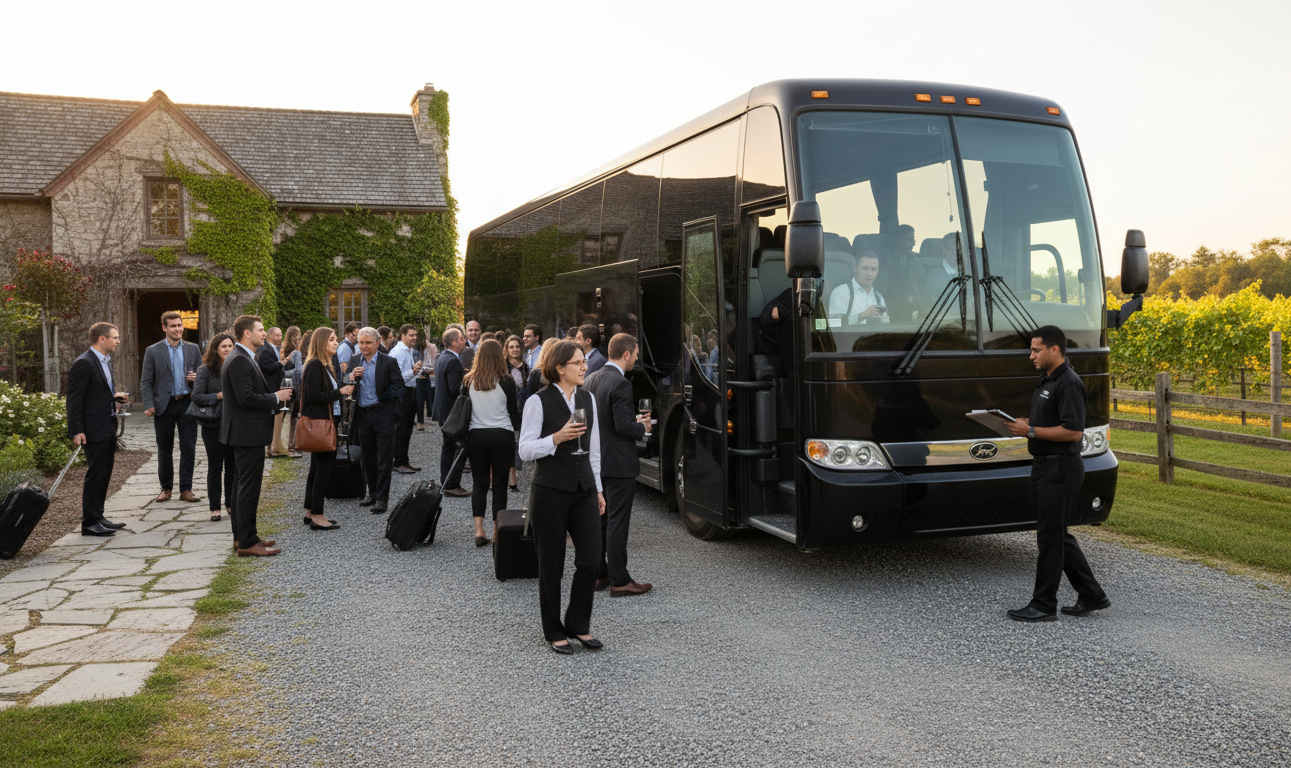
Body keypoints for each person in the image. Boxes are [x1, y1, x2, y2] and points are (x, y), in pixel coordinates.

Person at [1005, 325, 1109, 622]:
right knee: (1057, 535)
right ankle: (1092, 595)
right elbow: (1051, 422)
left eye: (1036, 350)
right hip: (1045, 466)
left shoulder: (1068, 383)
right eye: (1031, 350)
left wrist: (1032, 430)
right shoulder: (1047, 380)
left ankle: (1043, 605)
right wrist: (1027, 424)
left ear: (1055, 350)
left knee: (1049, 539)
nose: (1031, 356)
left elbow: (1074, 432)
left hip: (1061, 469)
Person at [516, 339, 606, 655]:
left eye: (584, 362)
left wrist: (598, 488)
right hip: (550, 490)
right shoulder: (537, 402)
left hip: (583, 489)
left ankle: (578, 624)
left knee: (592, 559)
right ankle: (554, 630)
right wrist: (555, 438)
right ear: (559, 368)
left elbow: (593, 448)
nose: (584, 367)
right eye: (578, 363)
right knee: (552, 564)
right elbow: (524, 450)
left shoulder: (588, 399)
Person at [583, 333, 652, 597]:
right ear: (626, 354)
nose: (636, 358)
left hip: (597, 461)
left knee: (601, 520)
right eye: (635, 354)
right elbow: (623, 427)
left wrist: (629, 419)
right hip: (619, 463)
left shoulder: (591, 378)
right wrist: (641, 426)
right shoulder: (621, 384)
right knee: (617, 522)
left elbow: (603, 420)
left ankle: (601, 574)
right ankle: (620, 580)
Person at [222, 315, 293, 556]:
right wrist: (276, 397)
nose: (265, 334)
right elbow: (245, 398)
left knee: (241, 484)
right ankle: (247, 543)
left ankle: (244, 536)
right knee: (247, 487)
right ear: (246, 334)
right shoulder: (240, 359)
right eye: (261, 330)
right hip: (246, 432)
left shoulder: (245, 357)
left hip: (245, 431)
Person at [66, 322, 130, 537]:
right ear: (102, 339)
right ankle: (89, 523)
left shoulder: (104, 361)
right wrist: (77, 430)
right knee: (96, 474)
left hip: (106, 425)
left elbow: (95, 394)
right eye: (115, 337)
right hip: (92, 428)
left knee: (104, 473)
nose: (118, 341)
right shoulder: (84, 363)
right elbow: (75, 399)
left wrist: (113, 398)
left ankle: (98, 516)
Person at [462, 339, 521, 546]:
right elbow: (514, 415)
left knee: (479, 484)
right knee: (499, 486)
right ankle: (497, 532)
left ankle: (479, 530)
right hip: (501, 435)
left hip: (476, 435)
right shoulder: (506, 380)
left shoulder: (469, 380)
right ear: (499, 355)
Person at [139, 310, 203, 503]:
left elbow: (203, 377)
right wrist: (149, 404)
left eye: (180, 325)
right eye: (173, 326)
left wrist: (196, 378)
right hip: (163, 406)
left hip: (186, 404)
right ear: (164, 328)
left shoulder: (193, 349)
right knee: (164, 449)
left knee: (189, 447)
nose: (178, 329)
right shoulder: (153, 350)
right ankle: (166, 489)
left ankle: (186, 490)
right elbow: (146, 381)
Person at [301, 327, 353, 531]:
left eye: (336, 339)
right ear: (322, 342)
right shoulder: (315, 365)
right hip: (320, 423)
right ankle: (317, 515)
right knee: (323, 470)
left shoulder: (323, 365)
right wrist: (339, 391)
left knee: (316, 469)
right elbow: (314, 396)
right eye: (331, 339)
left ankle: (310, 511)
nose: (335, 342)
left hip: (325, 421)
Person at [351, 327, 404, 514]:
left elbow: (399, 387)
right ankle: (371, 493)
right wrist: (351, 379)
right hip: (363, 414)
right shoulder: (354, 360)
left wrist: (395, 415)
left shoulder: (388, 362)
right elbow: (346, 387)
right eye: (361, 342)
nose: (364, 346)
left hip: (383, 413)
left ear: (377, 343)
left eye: (368, 343)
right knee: (367, 457)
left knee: (384, 458)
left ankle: (382, 498)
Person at [192, 333, 236, 524]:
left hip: (234, 423)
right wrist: (217, 396)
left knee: (233, 466)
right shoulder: (205, 370)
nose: (227, 349)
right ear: (216, 349)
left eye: (230, 346)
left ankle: (230, 503)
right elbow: (197, 396)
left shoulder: (237, 367)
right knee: (215, 466)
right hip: (212, 425)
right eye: (223, 346)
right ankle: (215, 507)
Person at [432, 327, 470, 497]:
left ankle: (446, 481)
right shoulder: (453, 361)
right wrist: (466, 379)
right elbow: (455, 389)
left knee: (447, 446)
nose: (465, 340)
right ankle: (452, 483)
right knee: (457, 448)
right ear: (454, 341)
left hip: (442, 410)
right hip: (451, 412)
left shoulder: (442, 357)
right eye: (462, 338)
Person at [389, 324, 423, 474]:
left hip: (409, 391)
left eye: (415, 335)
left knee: (407, 428)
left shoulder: (407, 350)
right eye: (411, 335)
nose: (414, 338)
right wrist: (413, 371)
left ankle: (404, 460)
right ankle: (398, 462)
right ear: (402, 335)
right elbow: (395, 377)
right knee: (402, 429)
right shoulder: (399, 352)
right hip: (403, 393)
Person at [257, 326, 293, 458]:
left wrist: (285, 363)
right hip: (270, 387)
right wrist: (281, 363)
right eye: (277, 335)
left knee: (274, 417)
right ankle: (267, 447)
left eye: (281, 335)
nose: (280, 337)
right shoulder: (265, 349)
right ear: (269, 335)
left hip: (277, 385)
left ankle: (272, 446)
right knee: (269, 418)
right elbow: (266, 366)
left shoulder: (276, 349)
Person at [828, 252, 888, 326]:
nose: (869, 273)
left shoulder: (879, 297)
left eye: (873, 269)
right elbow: (834, 325)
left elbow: (885, 326)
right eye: (864, 268)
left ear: (877, 271)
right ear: (855, 269)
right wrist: (862, 315)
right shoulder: (841, 292)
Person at [504, 334, 529, 490]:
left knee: (519, 442)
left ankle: (514, 473)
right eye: (511, 347)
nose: (514, 349)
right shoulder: (502, 367)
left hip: (524, 410)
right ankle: (512, 480)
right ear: (506, 349)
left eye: (517, 346)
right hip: (507, 409)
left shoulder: (526, 366)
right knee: (511, 443)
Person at [282, 326, 304, 458]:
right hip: (293, 389)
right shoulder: (296, 353)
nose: (297, 339)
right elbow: (298, 372)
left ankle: (289, 445)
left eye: (298, 336)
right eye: (295, 336)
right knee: (292, 418)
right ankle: (291, 446)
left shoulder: (284, 350)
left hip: (284, 387)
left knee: (288, 418)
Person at [415, 329, 438, 431]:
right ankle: (420, 421)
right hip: (416, 377)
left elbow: (434, 364)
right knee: (419, 400)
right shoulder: (412, 348)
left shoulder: (432, 347)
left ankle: (430, 415)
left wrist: (423, 368)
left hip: (429, 376)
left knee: (428, 399)